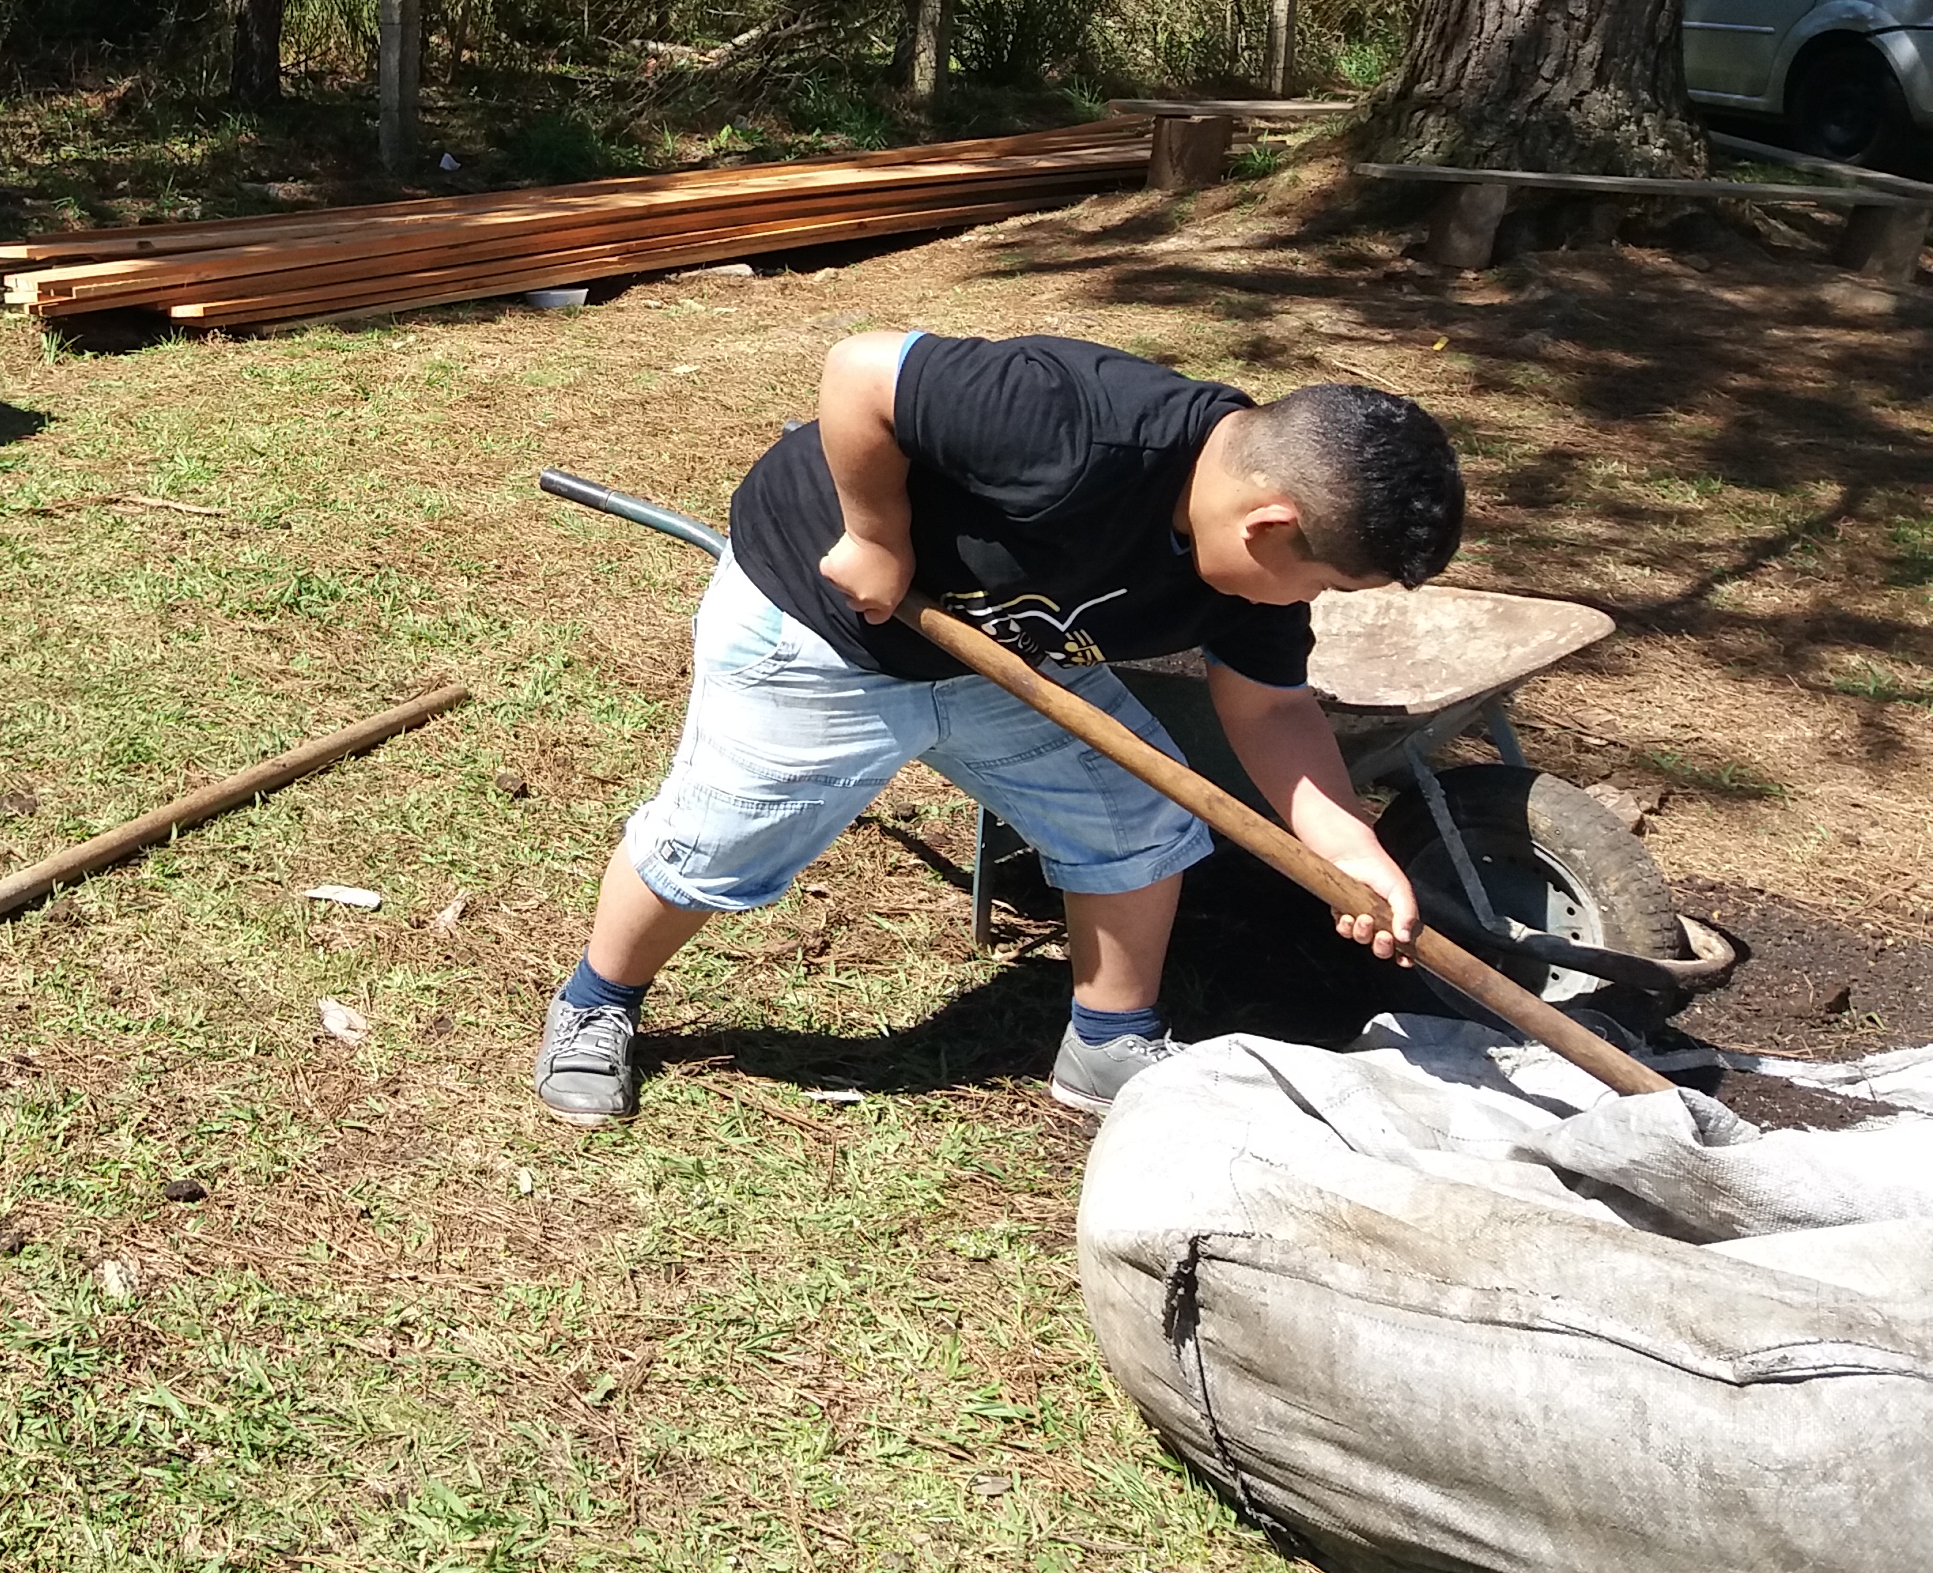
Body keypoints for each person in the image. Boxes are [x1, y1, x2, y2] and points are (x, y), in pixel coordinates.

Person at [530, 331, 1462, 1126]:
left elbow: (1270, 705)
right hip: (825, 630)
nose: (1315, 605)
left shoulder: (1251, 577)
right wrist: (877, 534)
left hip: (1006, 659)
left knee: (1139, 820)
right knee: (725, 837)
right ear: (1268, 524)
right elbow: (864, 368)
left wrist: (1348, 844)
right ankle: (596, 1002)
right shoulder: (1076, 424)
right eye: (1327, 585)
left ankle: (1108, 1046)